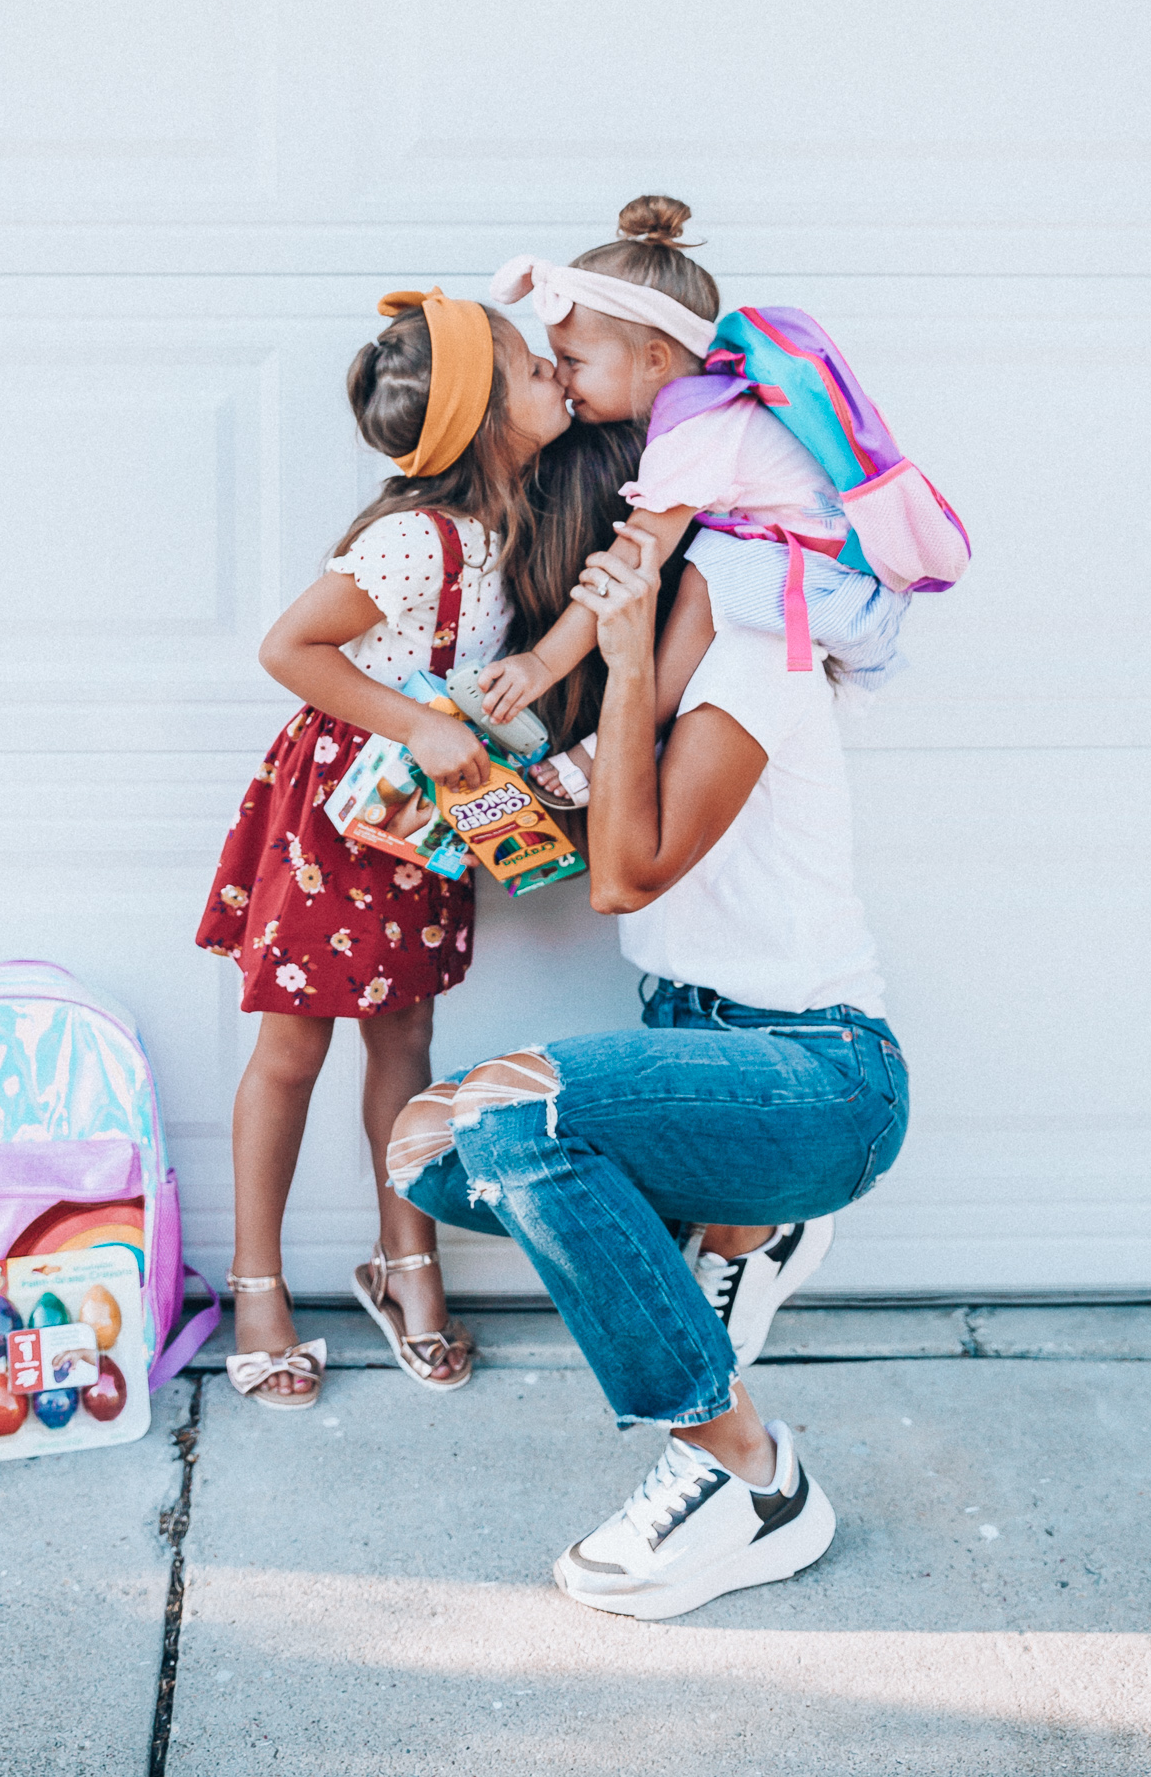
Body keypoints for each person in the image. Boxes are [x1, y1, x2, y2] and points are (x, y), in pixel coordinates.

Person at [387, 517, 910, 1619]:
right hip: (698, 1041)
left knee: (518, 1122)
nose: (592, 582)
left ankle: (746, 1475)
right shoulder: (659, 692)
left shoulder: (756, 667)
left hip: (820, 1074)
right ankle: (741, 1225)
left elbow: (626, 877)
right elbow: (589, 847)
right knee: (426, 1148)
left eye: (613, 561)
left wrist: (624, 665)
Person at [195, 288, 571, 1410]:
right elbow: (288, 647)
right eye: (533, 365)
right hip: (339, 817)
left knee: (404, 1031)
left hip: (420, 820)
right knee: (293, 1047)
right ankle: (255, 1285)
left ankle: (404, 1259)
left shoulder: (508, 523)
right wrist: (415, 720)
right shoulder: (413, 537)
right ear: (487, 412)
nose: (557, 370)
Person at [478, 195, 909, 816]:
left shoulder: (696, 433)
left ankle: (612, 745)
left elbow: (629, 566)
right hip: (826, 581)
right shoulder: (715, 405)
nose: (560, 377)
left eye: (573, 361)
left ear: (654, 360)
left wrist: (542, 664)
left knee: (709, 566)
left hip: (832, 592)